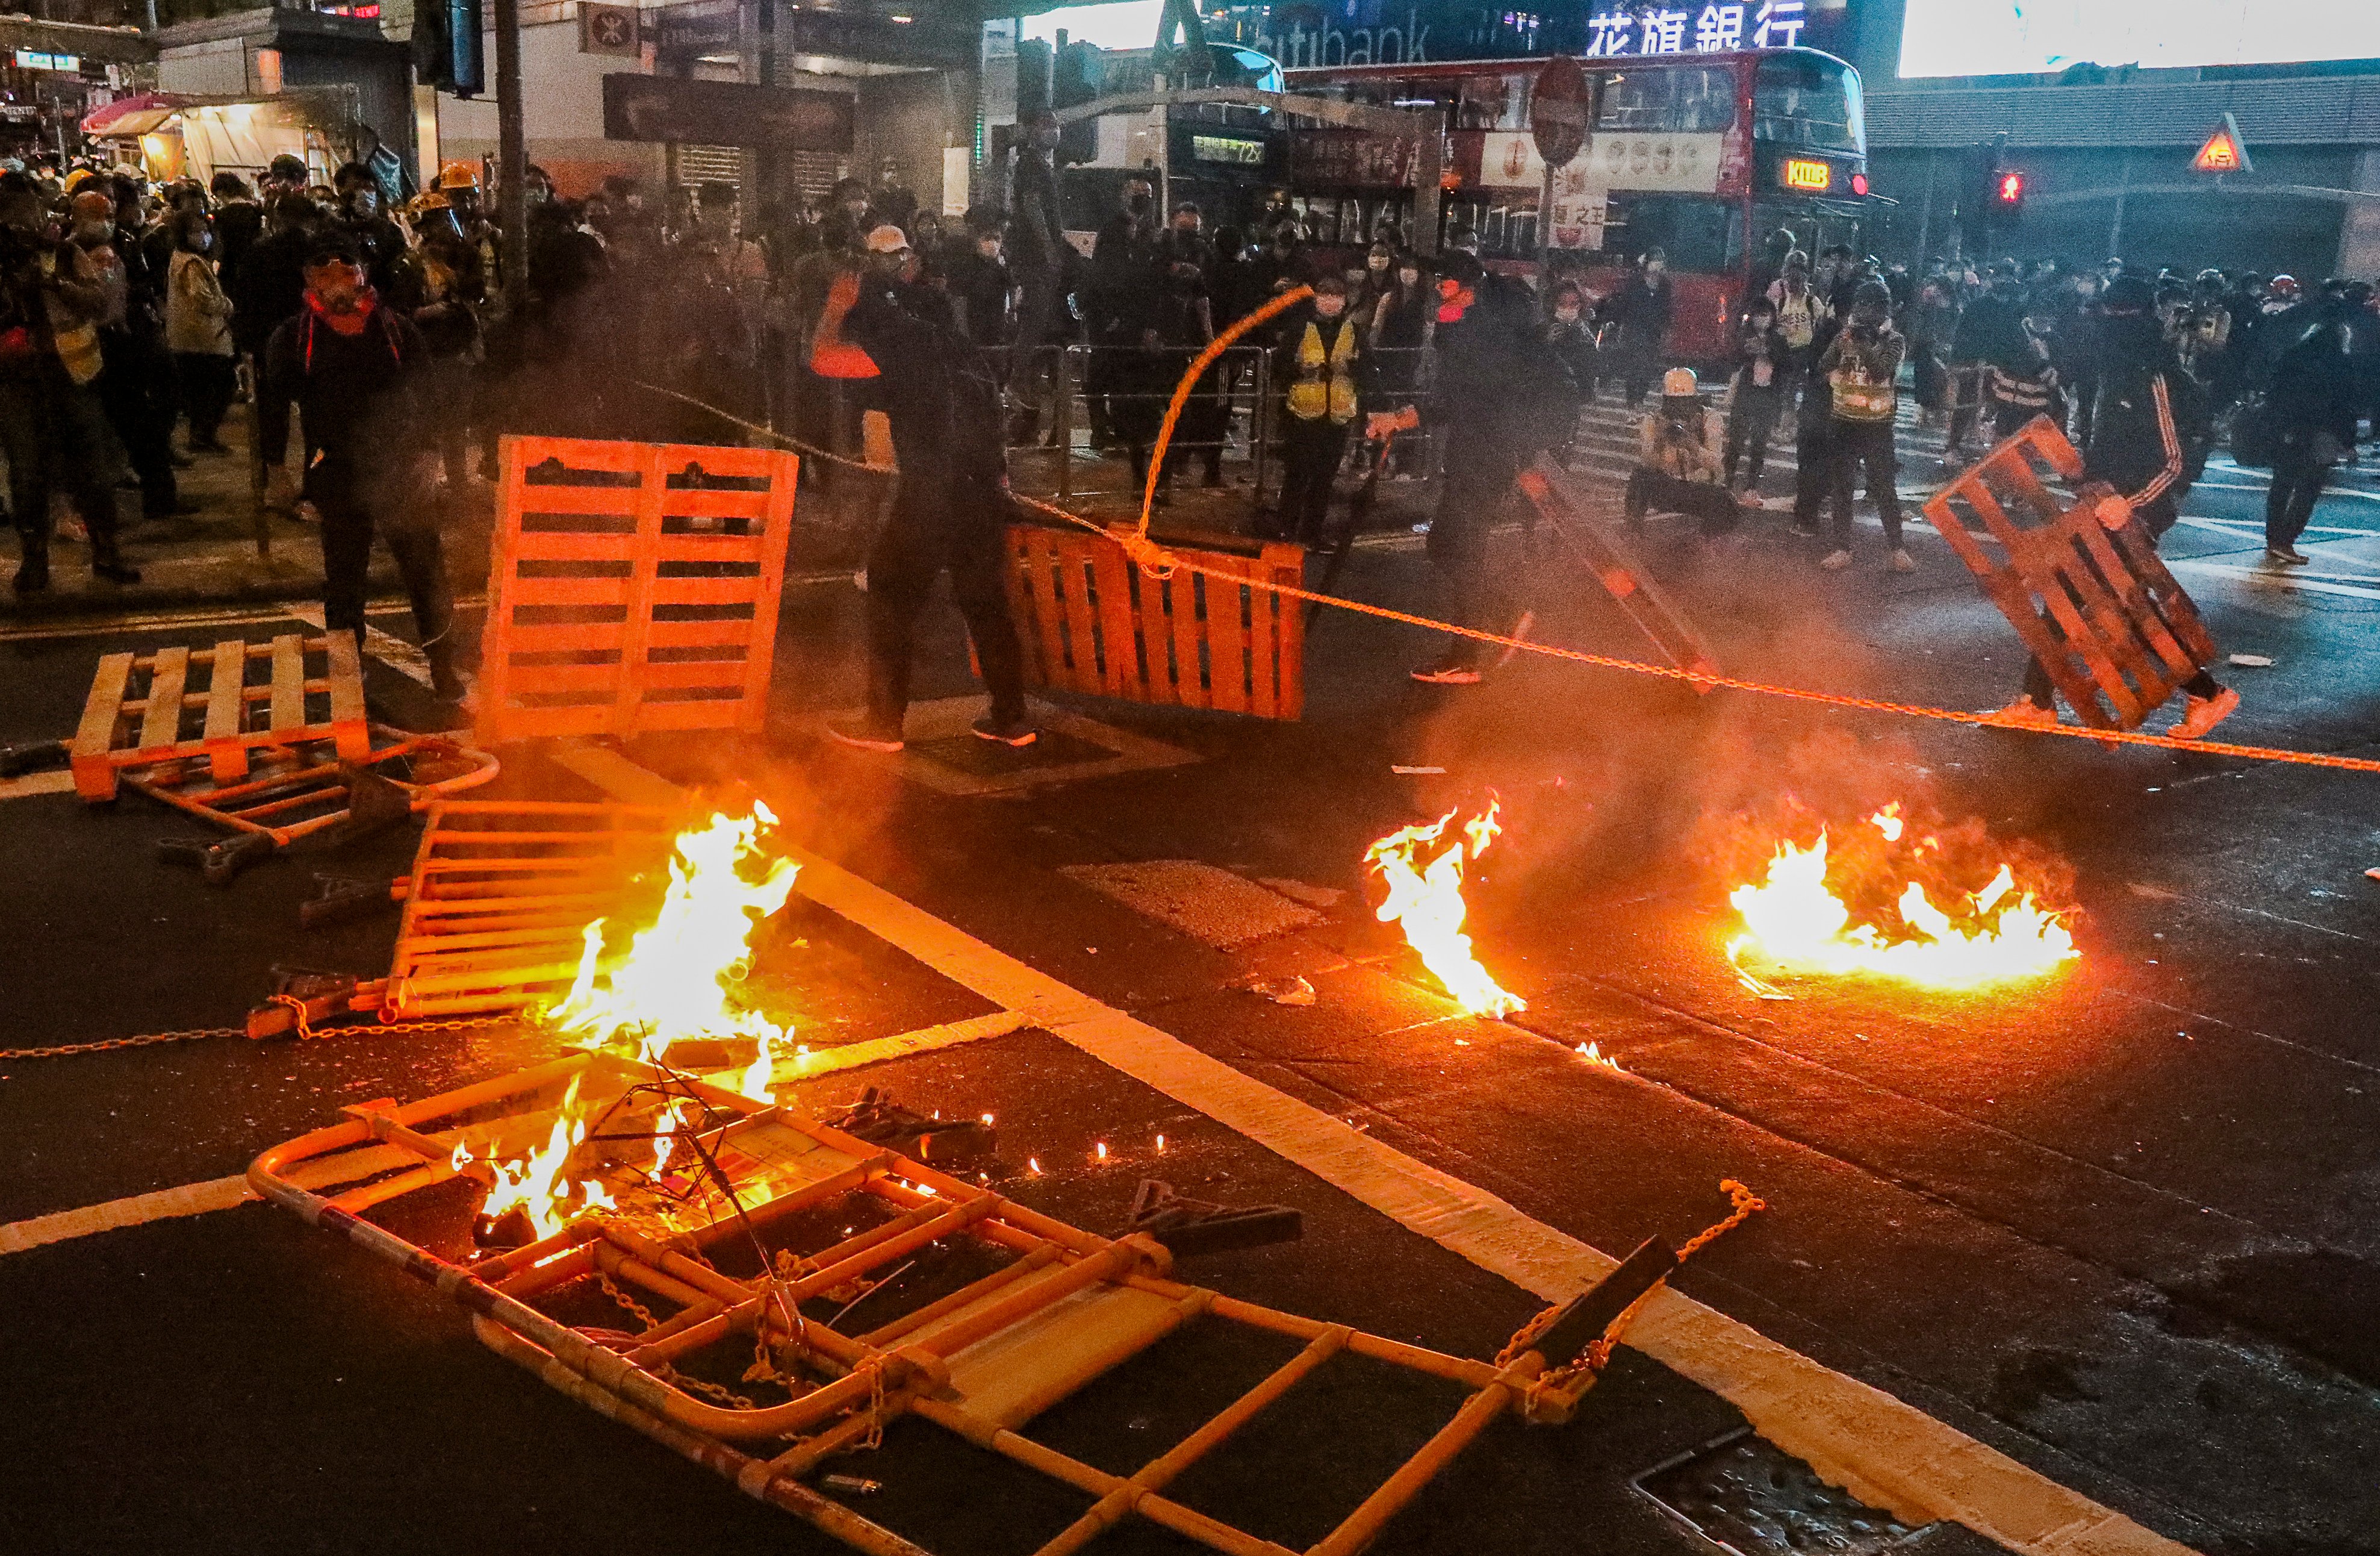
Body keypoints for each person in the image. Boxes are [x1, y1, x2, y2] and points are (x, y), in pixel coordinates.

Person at [1992, 276, 2236, 739]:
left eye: (2118, 316)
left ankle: (2206, 693)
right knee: (2069, 594)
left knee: (2117, 608)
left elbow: (2174, 459)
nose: (2109, 326)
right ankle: (2036, 700)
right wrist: (2086, 480)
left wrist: (2132, 504)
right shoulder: (2113, 370)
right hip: (2101, 505)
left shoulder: (2155, 375)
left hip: (2134, 513)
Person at [824, 255, 1035, 752]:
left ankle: (883, 723)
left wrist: (834, 310)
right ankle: (1011, 718)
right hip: (982, 489)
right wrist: (999, 483)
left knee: (890, 592)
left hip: (931, 492)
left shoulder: (890, 343)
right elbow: (993, 420)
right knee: (984, 601)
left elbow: (824, 357)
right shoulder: (962, 347)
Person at [257, 234, 462, 700]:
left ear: (364, 276)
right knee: (345, 578)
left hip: (400, 465)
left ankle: (444, 667)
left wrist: (432, 453)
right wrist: (277, 468)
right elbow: (273, 404)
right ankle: (350, 674)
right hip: (337, 470)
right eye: (324, 273)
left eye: (347, 271)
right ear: (309, 281)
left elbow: (430, 394)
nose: (338, 281)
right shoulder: (292, 337)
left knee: (425, 570)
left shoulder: (396, 328)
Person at [1405, 252, 1570, 683]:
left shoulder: (1480, 330)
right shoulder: (1472, 322)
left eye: (1445, 282)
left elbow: (1466, 395)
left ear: (1467, 287)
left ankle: (1468, 654)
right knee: (1448, 545)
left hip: (1487, 453)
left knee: (1457, 547)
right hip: (1478, 451)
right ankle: (1503, 615)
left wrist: (1411, 417)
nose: (1438, 288)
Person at [0, 172, 135, 591]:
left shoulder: (62, 253)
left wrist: (53, 284)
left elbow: (100, 302)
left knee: (92, 466)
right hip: (17, 379)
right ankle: (34, 560)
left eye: (32, 210)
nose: (26, 221)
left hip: (71, 374)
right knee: (27, 471)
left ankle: (106, 552)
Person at [1817, 279, 1912, 573]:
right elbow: (1823, 364)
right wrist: (1844, 346)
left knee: (1884, 487)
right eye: (1862, 305)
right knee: (1842, 486)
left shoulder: (1894, 340)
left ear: (1884, 309)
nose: (1865, 311)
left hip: (1877, 424)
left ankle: (1897, 548)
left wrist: (1860, 343)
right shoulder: (1845, 335)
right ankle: (1841, 547)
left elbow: (1881, 368)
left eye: (1873, 306)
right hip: (1844, 421)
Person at [1272, 273, 1362, 544]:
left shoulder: (1354, 331)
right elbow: (1279, 367)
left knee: (1324, 480)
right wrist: (1302, 371)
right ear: (1316, 299)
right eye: (1325, 295)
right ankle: (1285, 531)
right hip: (1302, 415)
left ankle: (1312, 534)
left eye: (1337, 296)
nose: (1331, 301)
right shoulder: (1299, 328)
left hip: (1336, 417)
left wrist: (1350, 369)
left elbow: (1368, 370)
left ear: (1345, 300)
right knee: (1297, 476)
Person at [2261, 313, 2358, 565]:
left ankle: (2274, 538)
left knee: (2282, 483)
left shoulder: (2294, 356)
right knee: (2308, 489)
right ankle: (2287, 539)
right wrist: (2348, 443)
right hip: (2322, 433)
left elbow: (2274, 390)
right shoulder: (2340, 365)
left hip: (2289, 429)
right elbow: (2344, 406)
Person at [1626, 369, 1745, 534]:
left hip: (1699, 489)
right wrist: (1660, 443)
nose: (1679, 410)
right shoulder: (1652, 421)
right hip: (1667, 487)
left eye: (1684, 403)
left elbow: (1717, 466)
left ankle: (1708, 546)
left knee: (1726, 503)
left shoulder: (1710, 419)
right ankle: (1633, 533)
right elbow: (1647, 462)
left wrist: (1694, 447)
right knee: (1639, 477)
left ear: (1694, 401)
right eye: (1673, 404)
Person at [164, 207, 236, 453]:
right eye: (196, 232)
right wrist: (226, 305)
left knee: (200, 391)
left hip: (186, 336)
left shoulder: (179, 258)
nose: (203, 237)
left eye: (205, 231)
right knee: (217, 387)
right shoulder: (191, 263)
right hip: (202, 335)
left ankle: (201, 435)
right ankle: (203, 435)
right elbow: (201, 297)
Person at [1723, 297, 1788, 490]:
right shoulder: (1744, 336)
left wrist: (1768, 351)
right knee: (1736, 441)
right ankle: (1727, 480)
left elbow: (1787, 366)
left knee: (1759, 444)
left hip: (1767, 397)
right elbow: (1733, 362)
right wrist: (1747, 351)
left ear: (1772, 317)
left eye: (1765, 315)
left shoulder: (1778, 340)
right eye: (1758, 315)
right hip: (1746, 395)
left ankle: (1751, 486)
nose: (1761, 319)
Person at [1608, 247, 1673, 407]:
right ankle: (1632, 401)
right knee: (1635, 366)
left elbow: (1667, 308)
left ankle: (1640, 398)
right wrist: (1615, 321)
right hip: (1635, 328)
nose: (1657, 264)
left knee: (1648, 368)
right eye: (1654, 260)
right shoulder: (1635, 281)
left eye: (1660, 260)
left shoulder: (1665, 284)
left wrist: (1666, 327)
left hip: (1653, 331)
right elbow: (1625, 304)